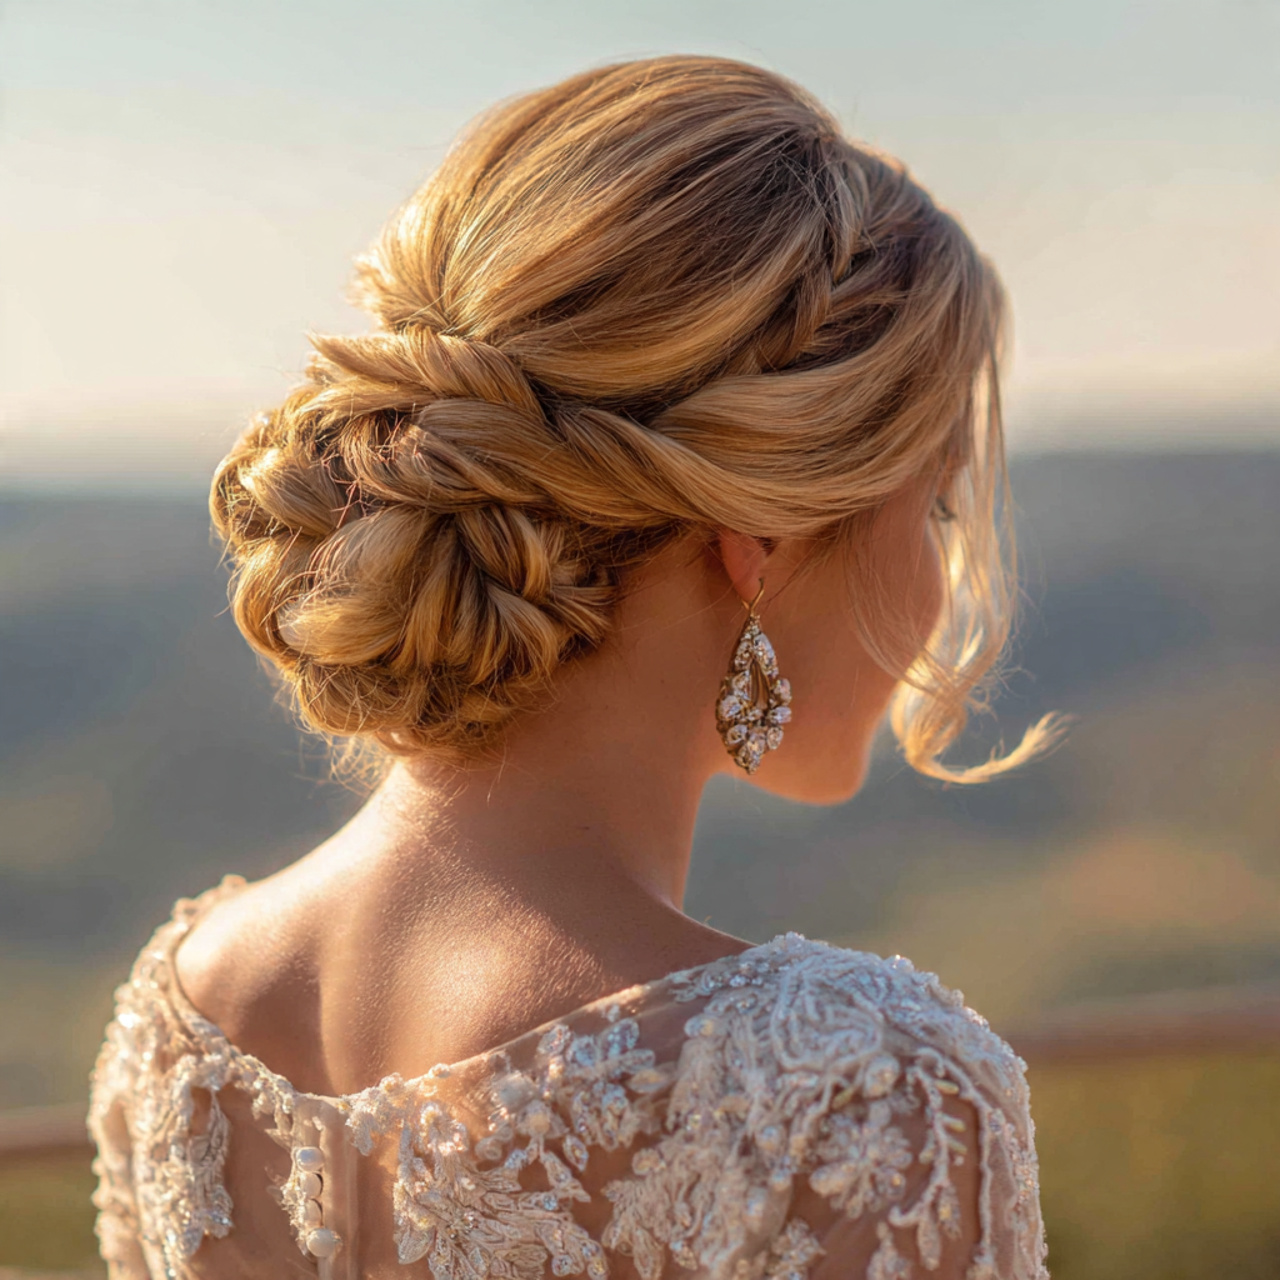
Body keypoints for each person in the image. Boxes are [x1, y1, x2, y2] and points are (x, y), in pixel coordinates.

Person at [88, 55, 1058, 1280]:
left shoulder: (180, 1019)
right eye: (941, 508)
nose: (943, 586)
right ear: (759, 542)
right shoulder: (864, 1087)